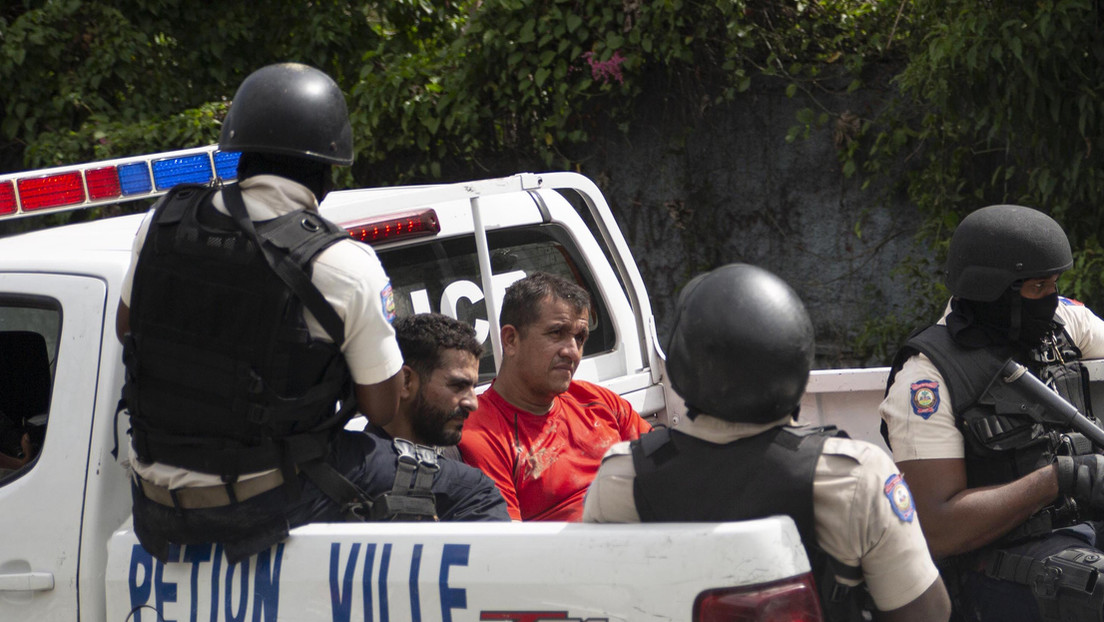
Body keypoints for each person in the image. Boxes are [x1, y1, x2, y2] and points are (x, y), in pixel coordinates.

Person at [115, 62, 409, 563]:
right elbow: (383, 410)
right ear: (327, 171)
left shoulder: (162, 222)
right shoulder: (342, 263)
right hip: (266, 502)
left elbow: (127, 329)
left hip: (156, 504)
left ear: (240, 157)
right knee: (467, 491)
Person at [584, 263, 951, 622]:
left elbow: (596, 603)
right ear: (796, 362)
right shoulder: (855, 476)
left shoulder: (622, 477)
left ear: (681, 368)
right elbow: (926, 612)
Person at [880, 204, 1104, 621]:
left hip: (1085, 533)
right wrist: (1060, 478)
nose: (1051, 298)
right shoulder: (926, 378)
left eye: (1055, 284)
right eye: (1039, 287)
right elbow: (939, 530)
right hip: (998, 562)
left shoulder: (1064, 326)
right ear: (993, 290)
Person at [457, 271, 652, 521]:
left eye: (579, 337)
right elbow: (510, 547)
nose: (572, 351)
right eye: (556, 333)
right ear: (511, 340)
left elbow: (668, 471)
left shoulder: (600, 401)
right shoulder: (480, 432)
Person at [362, 312, 509, 521]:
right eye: (458, 386)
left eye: (473, 387)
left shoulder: (460, 455)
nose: (472, 403)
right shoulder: (355, 470)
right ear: (405, 381)